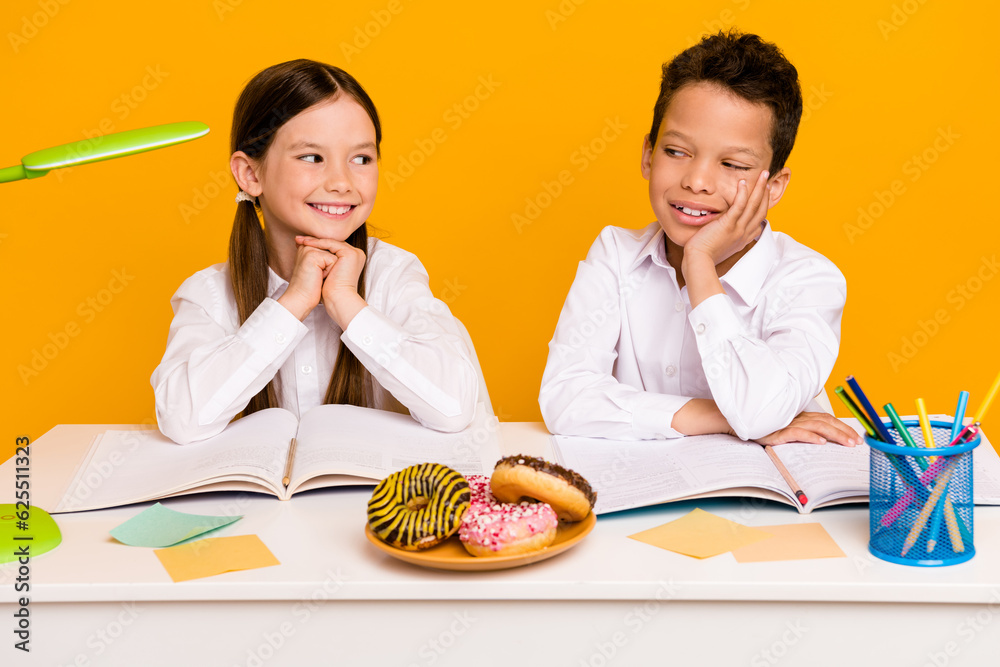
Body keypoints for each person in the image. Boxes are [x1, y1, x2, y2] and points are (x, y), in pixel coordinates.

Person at [539, 30, 861, 447]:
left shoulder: (809, 279)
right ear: (647, 155)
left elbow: (757, 410)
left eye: (732, 164)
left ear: (775, 186)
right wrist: (719, 417)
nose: (696, 181)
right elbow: (565, 396)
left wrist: (699, 262)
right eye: (676, 152)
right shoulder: (615, 255)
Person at [152, 59, 480, 444]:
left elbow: (455, 407)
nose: (342, 182)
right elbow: (182, 419)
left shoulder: (393, 274)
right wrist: (292, 304)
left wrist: (346, 302)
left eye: (361, 158)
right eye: (312, 157)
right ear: (251, 174)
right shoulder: (209, 295)